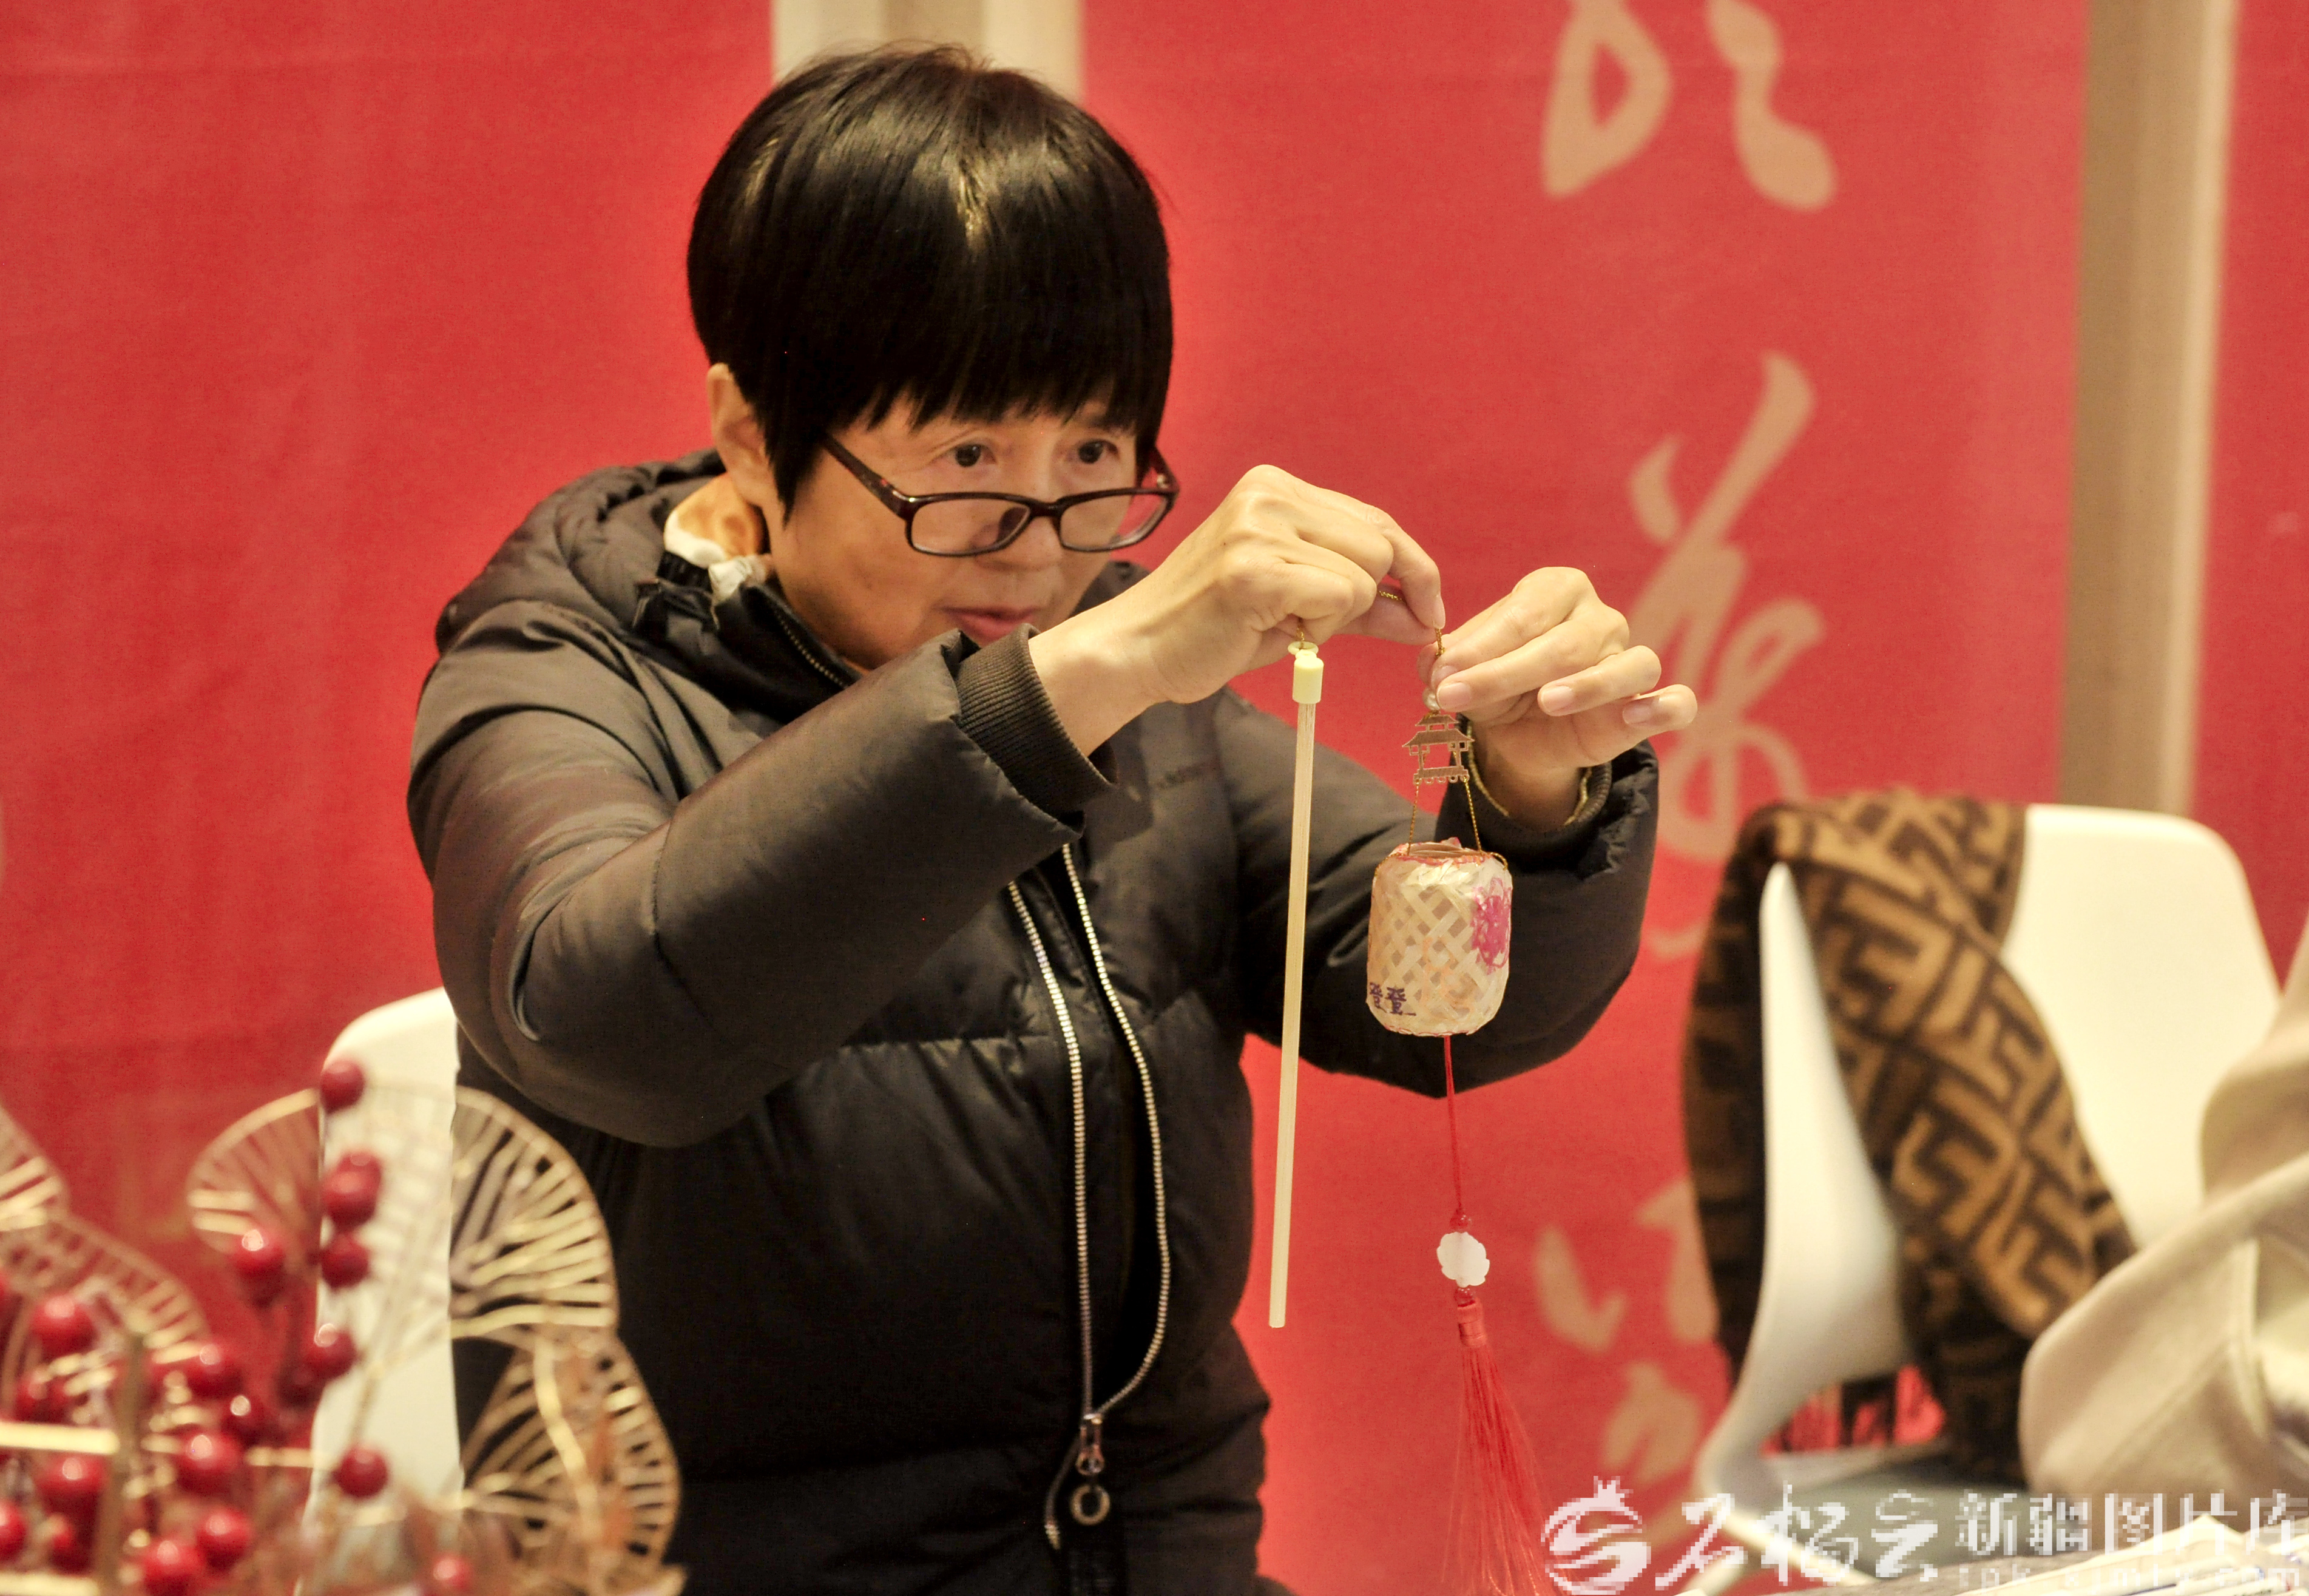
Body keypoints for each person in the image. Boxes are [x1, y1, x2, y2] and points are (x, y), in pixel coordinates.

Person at [409, 44, 1689, 1596]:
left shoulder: (1131, 680)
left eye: (1090, 453)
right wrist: (1069, 683)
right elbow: (604, 1014)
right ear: (750, 430)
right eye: (965, 460)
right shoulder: (555, 671)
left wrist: (1536, 795)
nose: (1035, 548)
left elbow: (1435, 1009)